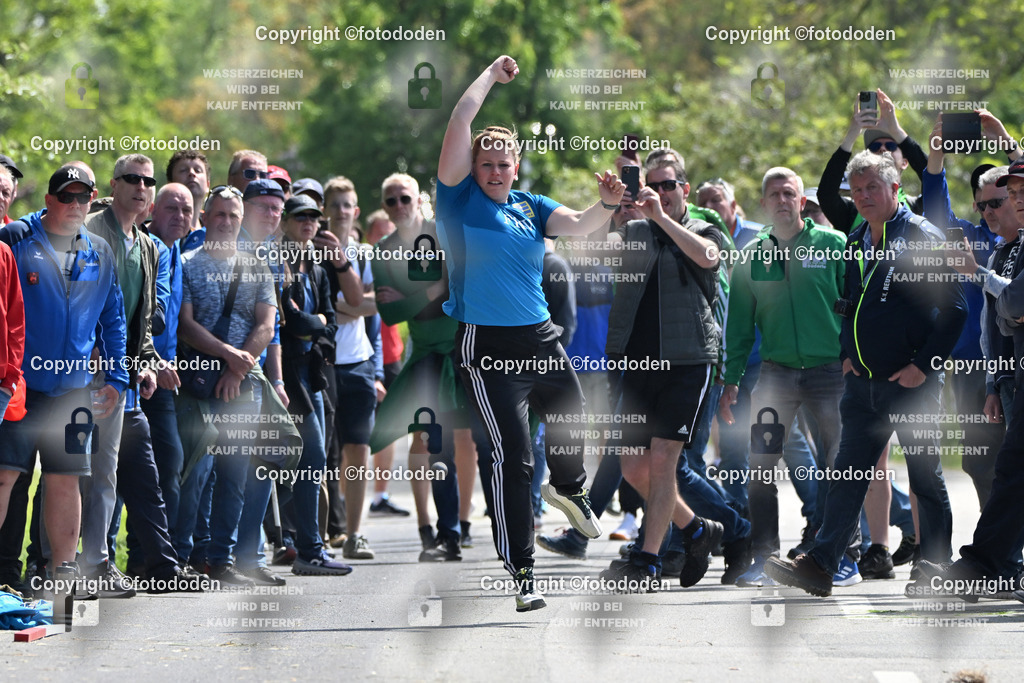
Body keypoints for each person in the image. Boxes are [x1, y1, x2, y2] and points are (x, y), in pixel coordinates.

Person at [436, 55, 609, 611]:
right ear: (473, 167)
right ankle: (522, 572)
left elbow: (579, 224)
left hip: (540, 337)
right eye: (485, 163)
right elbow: (460, 121)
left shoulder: (530, 206)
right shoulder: (457, 200)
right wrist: (490, 76)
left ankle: (569, 488)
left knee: (572, 412)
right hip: (486, 346)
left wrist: (608, 203)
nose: (494, 171)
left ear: (515, 167)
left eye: (502, 164)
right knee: (514, 459)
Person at [766, 150, 966, 596]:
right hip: (862, 385)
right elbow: (849, 302)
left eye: (872, 187)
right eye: (856, 190)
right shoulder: (856, 237)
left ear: (895, 188)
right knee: (846, 475)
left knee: (924, 476)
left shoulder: (920, 235)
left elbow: (955, 310)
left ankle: (935, 565)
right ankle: (821, 563)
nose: (863, 196)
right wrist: (846, 355)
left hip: (911, 384)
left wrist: (922, 366)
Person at [718, 168, 851, 587]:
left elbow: (855, 306)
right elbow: (739, 326)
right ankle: (764, 559)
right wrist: (731, 379)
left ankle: (837, 556)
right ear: (763, 203)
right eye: (773, 194)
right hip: (775, 376)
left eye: (789, 193)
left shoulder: (835, 244)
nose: (781, 200)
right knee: (761, 468)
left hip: (831, 373)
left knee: (839, 467)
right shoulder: (750, 256)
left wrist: (854, 359)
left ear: (802, 201)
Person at [0, 165, 127, 585]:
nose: (75, 204)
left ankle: (62, 579)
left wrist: (117, 378)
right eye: (66, 196)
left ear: (92, 200)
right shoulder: (15, 238)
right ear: (49, 199)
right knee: (4, 477)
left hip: (73, 392)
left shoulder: (99, 251)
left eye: (83, 197)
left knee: (65, 479)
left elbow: (113, 320)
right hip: (19, 387)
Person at [176, 186, 276, 587]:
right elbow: (185, 325)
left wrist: (237, 368)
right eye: (219, 214)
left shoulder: (257, 267)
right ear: (204, 218)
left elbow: (266, 324)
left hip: (242, 385)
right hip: (198, 383)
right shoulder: (186, 264)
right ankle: (185, 557)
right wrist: (227, 355)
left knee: (235, 476)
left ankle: (222, 560)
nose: (227, 222)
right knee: (195, 473)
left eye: (234, 216)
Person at [369, 173, 467, 562]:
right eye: (390, 200)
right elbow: (390, 314)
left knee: (487, 443)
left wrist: (412, 294)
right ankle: (447, 534)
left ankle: (510, 528)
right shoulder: (383, 252)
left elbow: (459, 288)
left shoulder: (445, 235)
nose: (398, 206)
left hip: (466, 352)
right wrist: (430, 290)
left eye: (405, 198)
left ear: (419, 200)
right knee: (435, 446)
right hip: (427, 358)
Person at [276, 194, 352, 575]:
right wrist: (315, 322)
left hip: (314, 373)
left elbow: (330, 323)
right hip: (289, 375)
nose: (308, 222)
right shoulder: (279, 263)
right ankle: (303, 547)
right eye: (300, 216)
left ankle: (308, 547)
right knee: (307, 457)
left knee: (315, 461)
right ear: (285, 222)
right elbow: (289, 323)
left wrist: (316, 324)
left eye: (314, 217)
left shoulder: (319, 269)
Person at [166, 150, 210, 232]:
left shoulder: (212, 229)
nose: (192, 173)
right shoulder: (160, 229)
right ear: (170, 184)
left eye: (198, 170)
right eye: (183, 170)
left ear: (208, 185)